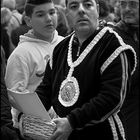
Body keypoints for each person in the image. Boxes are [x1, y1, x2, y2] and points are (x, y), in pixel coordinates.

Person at [32, 0, 137, 139]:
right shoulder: (60, 48)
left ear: (97, 10)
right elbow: (46, 89)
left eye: (88, 5)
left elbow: (112, 97)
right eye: (74, 6)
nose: (81, 10)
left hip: (103, 134)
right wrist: (29, 115)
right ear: (67, 13)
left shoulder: (113, 45)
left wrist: (72, 122)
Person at [5, 0, 64, 129]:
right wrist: (45, 113)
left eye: (52, 12)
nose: (48, 19)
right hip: (36, 128)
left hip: (66, 123)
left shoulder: (65, 44)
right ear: (28, 20)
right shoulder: (21, 54)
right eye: (40, 15)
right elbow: (14, 95)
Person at [113, 0, 139, 140]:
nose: (127, 9)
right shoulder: (114, 37)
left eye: (133, 4)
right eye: (123, 4)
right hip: (125, 117)